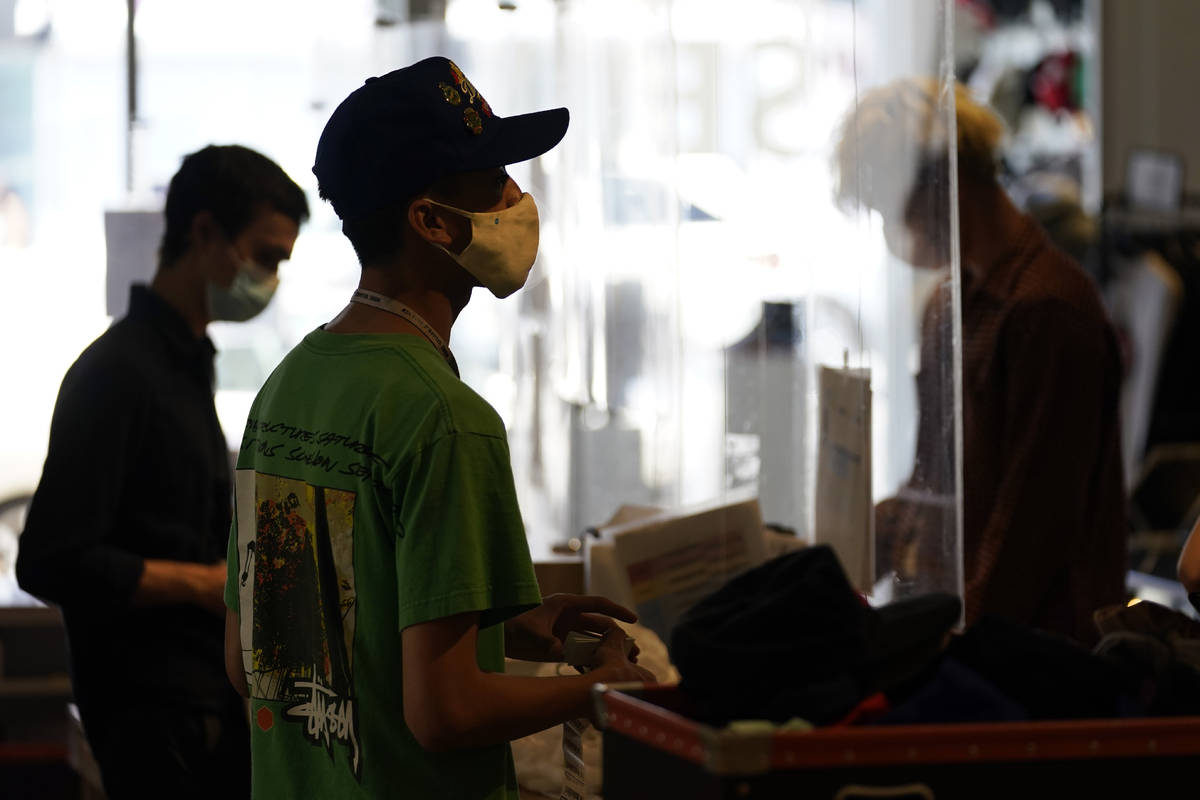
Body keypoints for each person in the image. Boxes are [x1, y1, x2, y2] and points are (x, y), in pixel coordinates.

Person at [223, 56, 654, 799]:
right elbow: (447, 713)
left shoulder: (287, 387)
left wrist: (498, 627)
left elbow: (256, 653)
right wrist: (602, 688)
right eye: (494, 184)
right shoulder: (446, 420)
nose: (518, 199)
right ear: (429, 220)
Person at [17, 144, 308, 798]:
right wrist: (208, 584)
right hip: (153, 720)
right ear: (204, 233)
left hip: (203, 702)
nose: (272, 281)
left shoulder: (186, 364)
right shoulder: (118, 372)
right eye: (266, 257)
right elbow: (50, 560)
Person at [832, 79, 1126, 645]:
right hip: (968, 631)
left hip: (1038, 653)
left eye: (890, 207)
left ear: (942, 185)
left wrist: (962, 647)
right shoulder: (950, 304)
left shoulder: (1047, 310)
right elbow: (934, 479)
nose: (892, 231)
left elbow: (1032, 527)